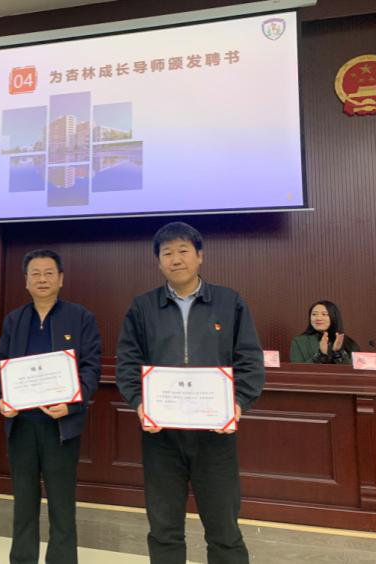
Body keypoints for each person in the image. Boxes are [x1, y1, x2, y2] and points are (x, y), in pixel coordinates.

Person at [115, 222, 265, 564]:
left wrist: (238, 404)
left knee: (224, 530)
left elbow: (249, 361)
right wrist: (139, 403)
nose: (175, 259)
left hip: (215, 436)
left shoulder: (229, 302)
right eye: (167, 253)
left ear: (200, 256)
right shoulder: (142, 307)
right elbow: (127, 363)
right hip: (161, 437)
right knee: (164, 529)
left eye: (183, 250)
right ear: (158, 262)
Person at [0, 249, 101, 564]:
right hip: (22, 425)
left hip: (60, 426)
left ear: (61, 279)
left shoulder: (80, 317)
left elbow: (91, 368)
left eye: (49, 273)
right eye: (35, 273)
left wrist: (72, 404)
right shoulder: (14, 319)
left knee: (62, 504)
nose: (42, 279)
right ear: (26, 281)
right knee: (23, 503)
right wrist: (1, 399)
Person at [290, 300, 359, 364]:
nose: (318, 318)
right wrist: (320, 355)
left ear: (333, 317)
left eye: (324, 314)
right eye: (314, 314)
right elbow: (297, 370)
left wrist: (338, 353)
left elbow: (356, 369)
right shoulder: (299, 341)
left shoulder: (349, 343)